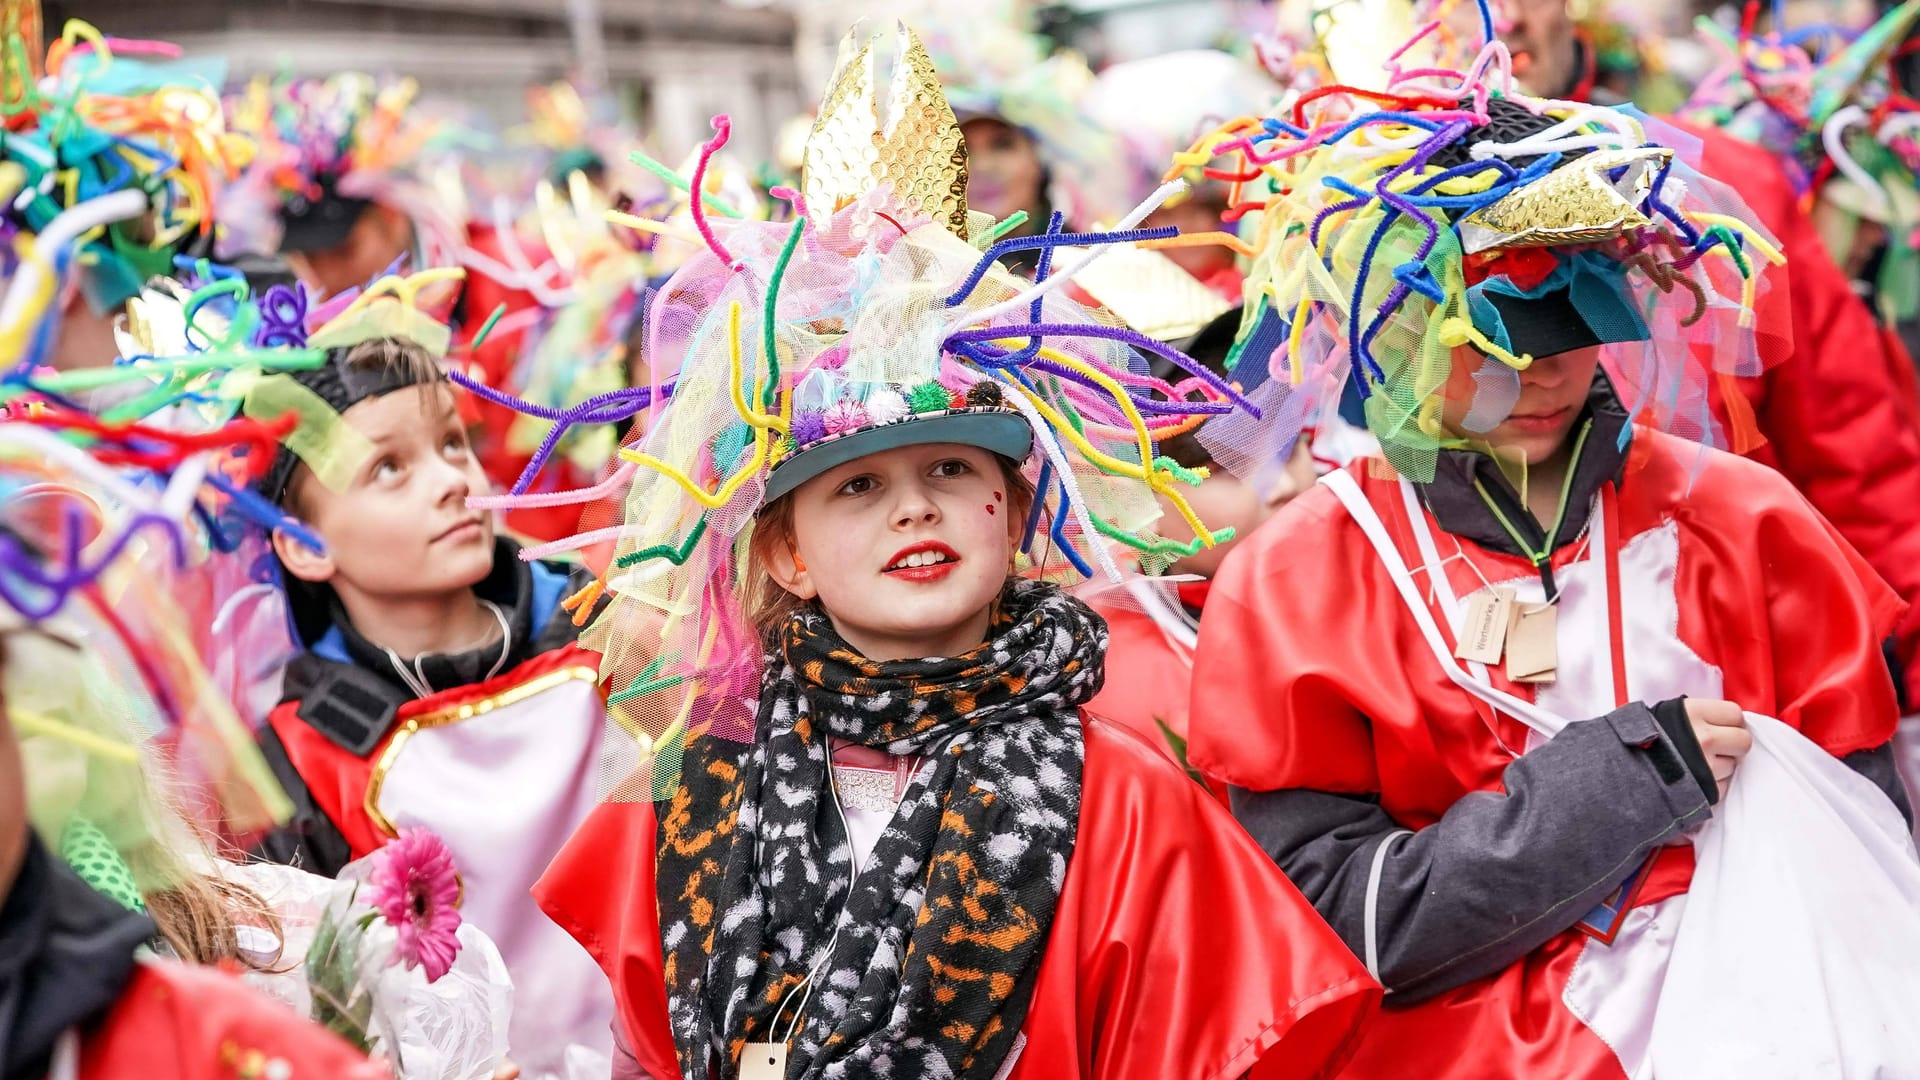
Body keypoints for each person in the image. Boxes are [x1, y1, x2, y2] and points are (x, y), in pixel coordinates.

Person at [520, 25, 1378, 1080]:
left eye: (953, 473)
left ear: (1012, 514)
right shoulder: (694, 788)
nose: (915, 512)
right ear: (784, 553)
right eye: (861, 486)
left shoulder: (1128, 798)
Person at [1187, 42, 1912, 1080]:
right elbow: (1331, 932)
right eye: (1488, 339)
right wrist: (1613, 786)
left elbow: (1861, 847)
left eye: (1571, 328)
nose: (1535, 374)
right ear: (1399, 331)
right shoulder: (1301, 581)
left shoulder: (1747, 519)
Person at [1439, 0, 1920, 708]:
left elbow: (1857, 455)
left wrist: (1899, 676)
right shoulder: (1355, 233)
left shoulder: (1718, 190)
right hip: (1473, 707)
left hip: (1750, 681)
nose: (1501, 19)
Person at [240, 286, 618, 1080]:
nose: (452, 480)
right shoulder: (297, 762)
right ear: (303, 545)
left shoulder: (609, 633)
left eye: (453, 442)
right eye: (388, 467)